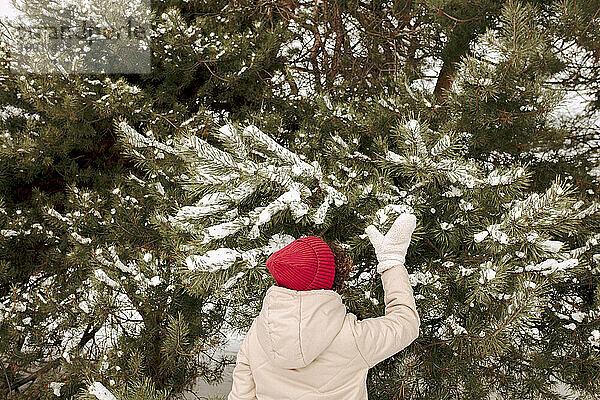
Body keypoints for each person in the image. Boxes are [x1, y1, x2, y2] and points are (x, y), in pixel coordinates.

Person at [227, 213, 420, 400]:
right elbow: (405, 323)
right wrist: (391, 262)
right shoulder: (352, 337)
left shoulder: (257, 335)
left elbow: (241, 396)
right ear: (331, 278)